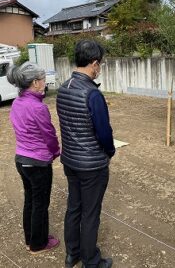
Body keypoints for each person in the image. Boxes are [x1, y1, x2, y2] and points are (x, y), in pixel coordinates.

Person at [56, 40, 115, 268]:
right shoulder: (92, 94)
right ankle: (91, 261)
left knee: (74, 207)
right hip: (92, 165)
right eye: (99, 64)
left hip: (70, 161)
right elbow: (104, 133)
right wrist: (109, 152)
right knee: (90, 214)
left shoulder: (63, 88)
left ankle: (73, 254)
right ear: (94, 63)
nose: (99, 68)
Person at [7, 62, 60, 254]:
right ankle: (38, 244)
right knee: (40, 204)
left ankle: (30, 239)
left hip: (21, 159)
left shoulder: (17, 102)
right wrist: (55, 152)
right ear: (36, 82)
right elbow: (49, 135)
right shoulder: (38, 107)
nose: (45, 83)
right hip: (37, 163)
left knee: (30, 200)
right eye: (43, 80)